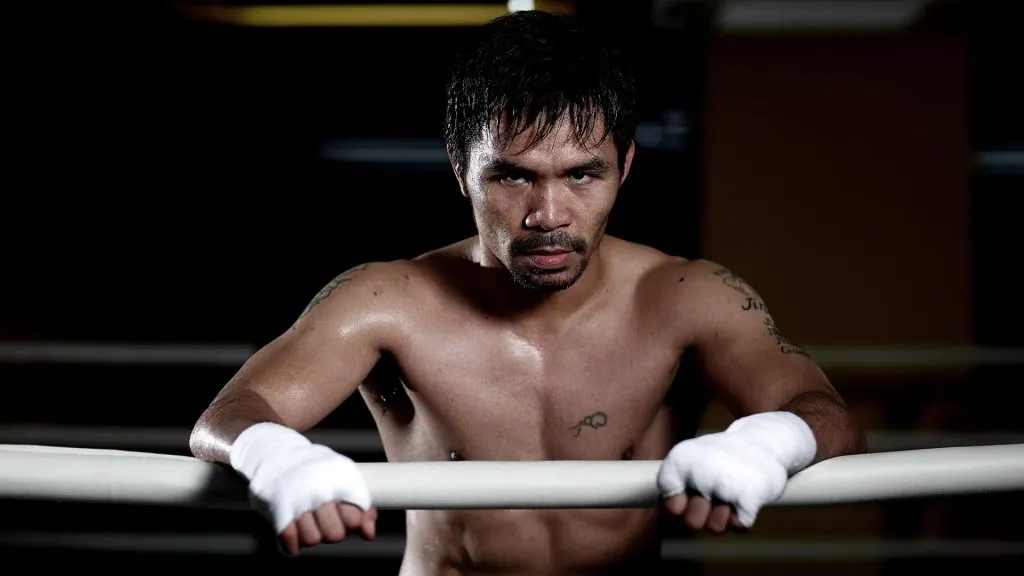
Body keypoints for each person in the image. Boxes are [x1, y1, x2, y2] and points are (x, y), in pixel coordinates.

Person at [189, 9, 868, 574]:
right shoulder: (386, 300)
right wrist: (275, 455)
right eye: (512, 177)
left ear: (625, 166)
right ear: (462, 170)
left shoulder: (688, 297)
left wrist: (769, 443)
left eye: (581, 175)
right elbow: (231, 414)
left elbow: (828, 414)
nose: (548, 214)